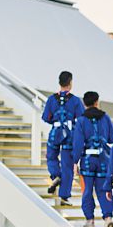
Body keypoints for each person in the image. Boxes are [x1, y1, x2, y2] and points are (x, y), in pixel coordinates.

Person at [72, 91, 113, 227]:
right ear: (97, 102)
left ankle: (90, 220)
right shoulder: (105, 118)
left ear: (84, 104)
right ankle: (108, 217)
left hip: (87, 160)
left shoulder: (81, 120)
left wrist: (75, 161)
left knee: (87, 190)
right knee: (104, 190)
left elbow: (78, 143)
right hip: (104, 159)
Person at [42, 71, 85, 205]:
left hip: (55, 132)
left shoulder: (51, 99)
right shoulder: (75, 100)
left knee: (51, 156)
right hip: (69, 134)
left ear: (59, 82)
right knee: (67, 164)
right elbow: (81, 119)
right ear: (70, 83)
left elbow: (45, 117)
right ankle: (64, 196)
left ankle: (56, 175)